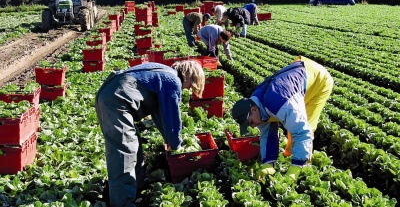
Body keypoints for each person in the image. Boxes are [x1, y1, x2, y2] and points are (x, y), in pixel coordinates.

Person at [95, 61, 205, 207]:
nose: (187, 89)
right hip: (115, 101)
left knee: (133, 144)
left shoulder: (165, 73)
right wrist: (175, 144)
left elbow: (160, 115)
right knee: (124, 153)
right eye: (190, 86)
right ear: (190, 77)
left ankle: (138, 186)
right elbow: (172, 117)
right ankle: (123, 203)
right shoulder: (173, 81)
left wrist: (169, 139)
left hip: (109, 93)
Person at [231, 56, 334, 182]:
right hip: (296, 75)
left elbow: (303, 132)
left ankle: (302, 164)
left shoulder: (281, 104)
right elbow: (267, 134)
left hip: (319, 79)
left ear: (253, 110)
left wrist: (295, 168)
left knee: (305, 126)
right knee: (292, 122)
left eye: (251, 122)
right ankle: (291, 156)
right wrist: (268, 163)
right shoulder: (256, 106)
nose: (253, 126)